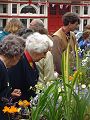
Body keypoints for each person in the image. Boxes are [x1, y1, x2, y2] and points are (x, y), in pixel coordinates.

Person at [8, 32, 53, 101]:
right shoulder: (19, 62)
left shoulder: (31, 61)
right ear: (36, 50)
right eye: (44, 53)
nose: (44, 56)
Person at [0, 34, 25, 120]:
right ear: (15, 56)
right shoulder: (1, 67)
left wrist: (9, 95)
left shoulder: (3, 66)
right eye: (20, 57)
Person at [29, 19, 55, 84]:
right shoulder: (47, 54)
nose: (29, 26)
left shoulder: (27, 49)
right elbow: (49, 78)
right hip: (41, 89)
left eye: (30, 25)